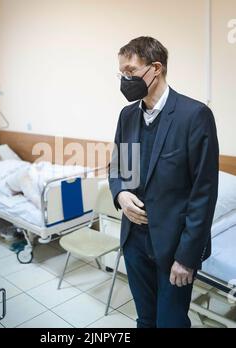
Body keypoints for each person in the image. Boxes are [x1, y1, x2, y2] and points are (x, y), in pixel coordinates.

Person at [108, 36, 219, 328]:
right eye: (121, 73)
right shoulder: (128, 116)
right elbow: (119, 169)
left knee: (170, 322)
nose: (124, 79)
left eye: (130, 71)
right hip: (134, 240)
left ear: (155, 68)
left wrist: (187, 257)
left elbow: (203, 194)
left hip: (174, 247)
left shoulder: (194, 116)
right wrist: (120, 194)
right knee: (145, 319)